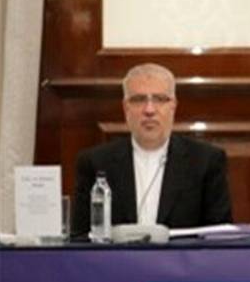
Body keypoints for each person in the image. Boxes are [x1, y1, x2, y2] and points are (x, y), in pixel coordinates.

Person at [72, 63, 232, 237]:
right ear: (126, 108)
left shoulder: (206, 162)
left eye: (160, 99)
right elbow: (80, 238)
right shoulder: (95, 163)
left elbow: (219, 238)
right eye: (139, 99)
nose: (149, 110)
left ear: (173, 106)